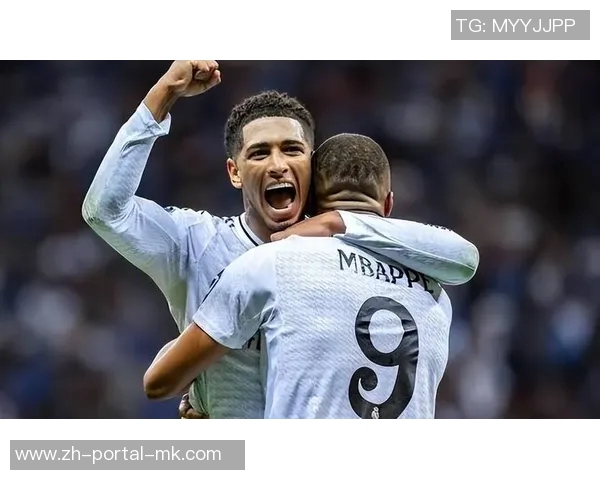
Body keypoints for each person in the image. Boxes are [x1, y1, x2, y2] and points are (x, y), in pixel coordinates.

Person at [83, 60, 478, 419]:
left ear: (311, 164)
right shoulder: (196, 242)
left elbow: (461, 255)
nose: (277, 165)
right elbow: (105, 210)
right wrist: (163, 93)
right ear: (235, 172)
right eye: (259, 153)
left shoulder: (339, 255)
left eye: (292, 150)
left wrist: (338, 223)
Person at [143, 133, 475, 419]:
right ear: (388, 205)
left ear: (309, 204)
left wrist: (210, 396)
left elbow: (158, 383)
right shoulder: (437, 298)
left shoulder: (269, 263)